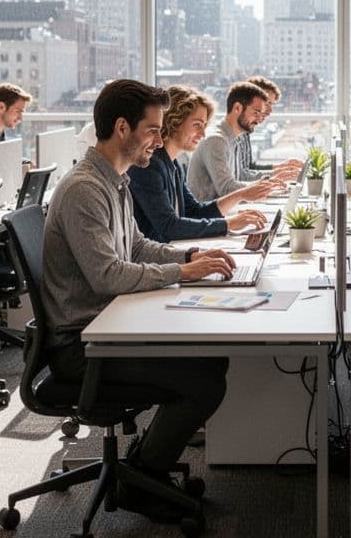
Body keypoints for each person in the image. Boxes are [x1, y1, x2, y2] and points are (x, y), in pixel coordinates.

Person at [41, 79, 233, 521]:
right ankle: (141, 481)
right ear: (122, 128)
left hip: (109, 326)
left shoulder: (115, 179)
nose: (159, 140)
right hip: (83, 345)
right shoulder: (85, 189)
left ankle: (144, 469)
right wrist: (183, 273)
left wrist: (189, 255)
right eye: (152, 130)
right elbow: (108, 274)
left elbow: (139, 245)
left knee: (212, 359)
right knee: (205, 379)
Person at [129, 86, 272, 243]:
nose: (203, 134)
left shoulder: (172, 163)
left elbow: (195, 212)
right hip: (158, 261)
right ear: (173, 121)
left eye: (204, 126)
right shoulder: (149, 166)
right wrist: (228, 224)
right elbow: (169, 226)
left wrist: (240, 195)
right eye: (197, 124)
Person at [186, 81, 286, 202]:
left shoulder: (234, 138)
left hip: (225, 212)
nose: (260, 120)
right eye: (256, 113)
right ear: (237, 108)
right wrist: (267, 184)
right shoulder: (216, 140)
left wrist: (272, 178)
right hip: (209, 217)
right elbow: (226, 189)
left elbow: (240, 176)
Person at [236, 75, 303, 178]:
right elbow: (239, 176)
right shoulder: (233, 135)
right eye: (267, 104)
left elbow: (250, 167)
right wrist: (275, 174)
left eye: (272, 105)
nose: (270, 111)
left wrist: (281, 167)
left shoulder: (244, 133)